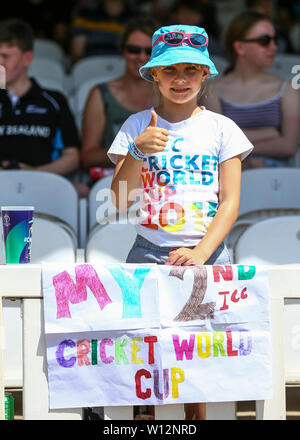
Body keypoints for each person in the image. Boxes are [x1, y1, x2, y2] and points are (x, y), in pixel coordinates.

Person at [107, 24, 253, 419]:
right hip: (148, 251)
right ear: (153, 74)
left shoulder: (223, 129)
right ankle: (143, 419)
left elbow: (230, 203)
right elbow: (120, 200)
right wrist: (137, 152)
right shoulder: (136, 126)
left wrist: (201, 252)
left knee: (196, 353)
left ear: (205, 75)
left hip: (208, 253)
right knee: (144, 345)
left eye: (191, 70)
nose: (181, 79)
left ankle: (195, 419)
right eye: (170, 70)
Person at [201, 11, 300, 169]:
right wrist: (269, 133)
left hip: (277, 181)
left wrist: (237, 148)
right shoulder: (213, 90)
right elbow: (215, 144)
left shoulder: (287, 89)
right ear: (240, 47)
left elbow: (289, 146)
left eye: (275, 40)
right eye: (264, 41)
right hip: (229, 175)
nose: (274, 47)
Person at [0, 19, 84, 193]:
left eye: (5, 56)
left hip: (42, 187)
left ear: (27, 58)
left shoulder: (54, 101)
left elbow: (72, 157)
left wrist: (35, 174)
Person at [80, 16, 158, 182]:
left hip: (162, 181)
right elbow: (87, 156)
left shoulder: (172, 95)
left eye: (149, 51)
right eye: (134, 50)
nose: (142, 57)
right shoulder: (101, 93)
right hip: (113, 181)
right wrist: (135, 149)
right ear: (122, 50)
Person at [70, 0, 136, 65]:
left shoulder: (137, 17)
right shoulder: (85, 13)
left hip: (126, 67)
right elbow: (77, 53)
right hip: (92, 66)